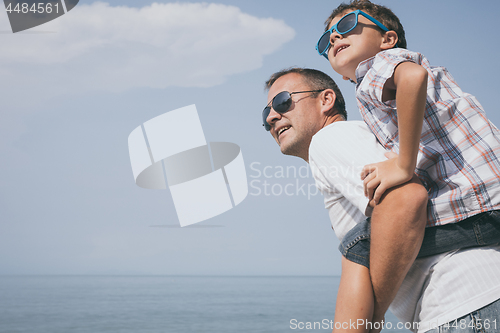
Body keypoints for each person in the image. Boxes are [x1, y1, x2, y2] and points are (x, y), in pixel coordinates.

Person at [262, 67, 500, 332]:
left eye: (282, 102)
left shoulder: (329, 138)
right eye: (266, 114)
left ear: (326, 100)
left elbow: (405, 197)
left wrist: (372, 316)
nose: (272, 116)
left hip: (463, 303)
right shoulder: (350, 147)